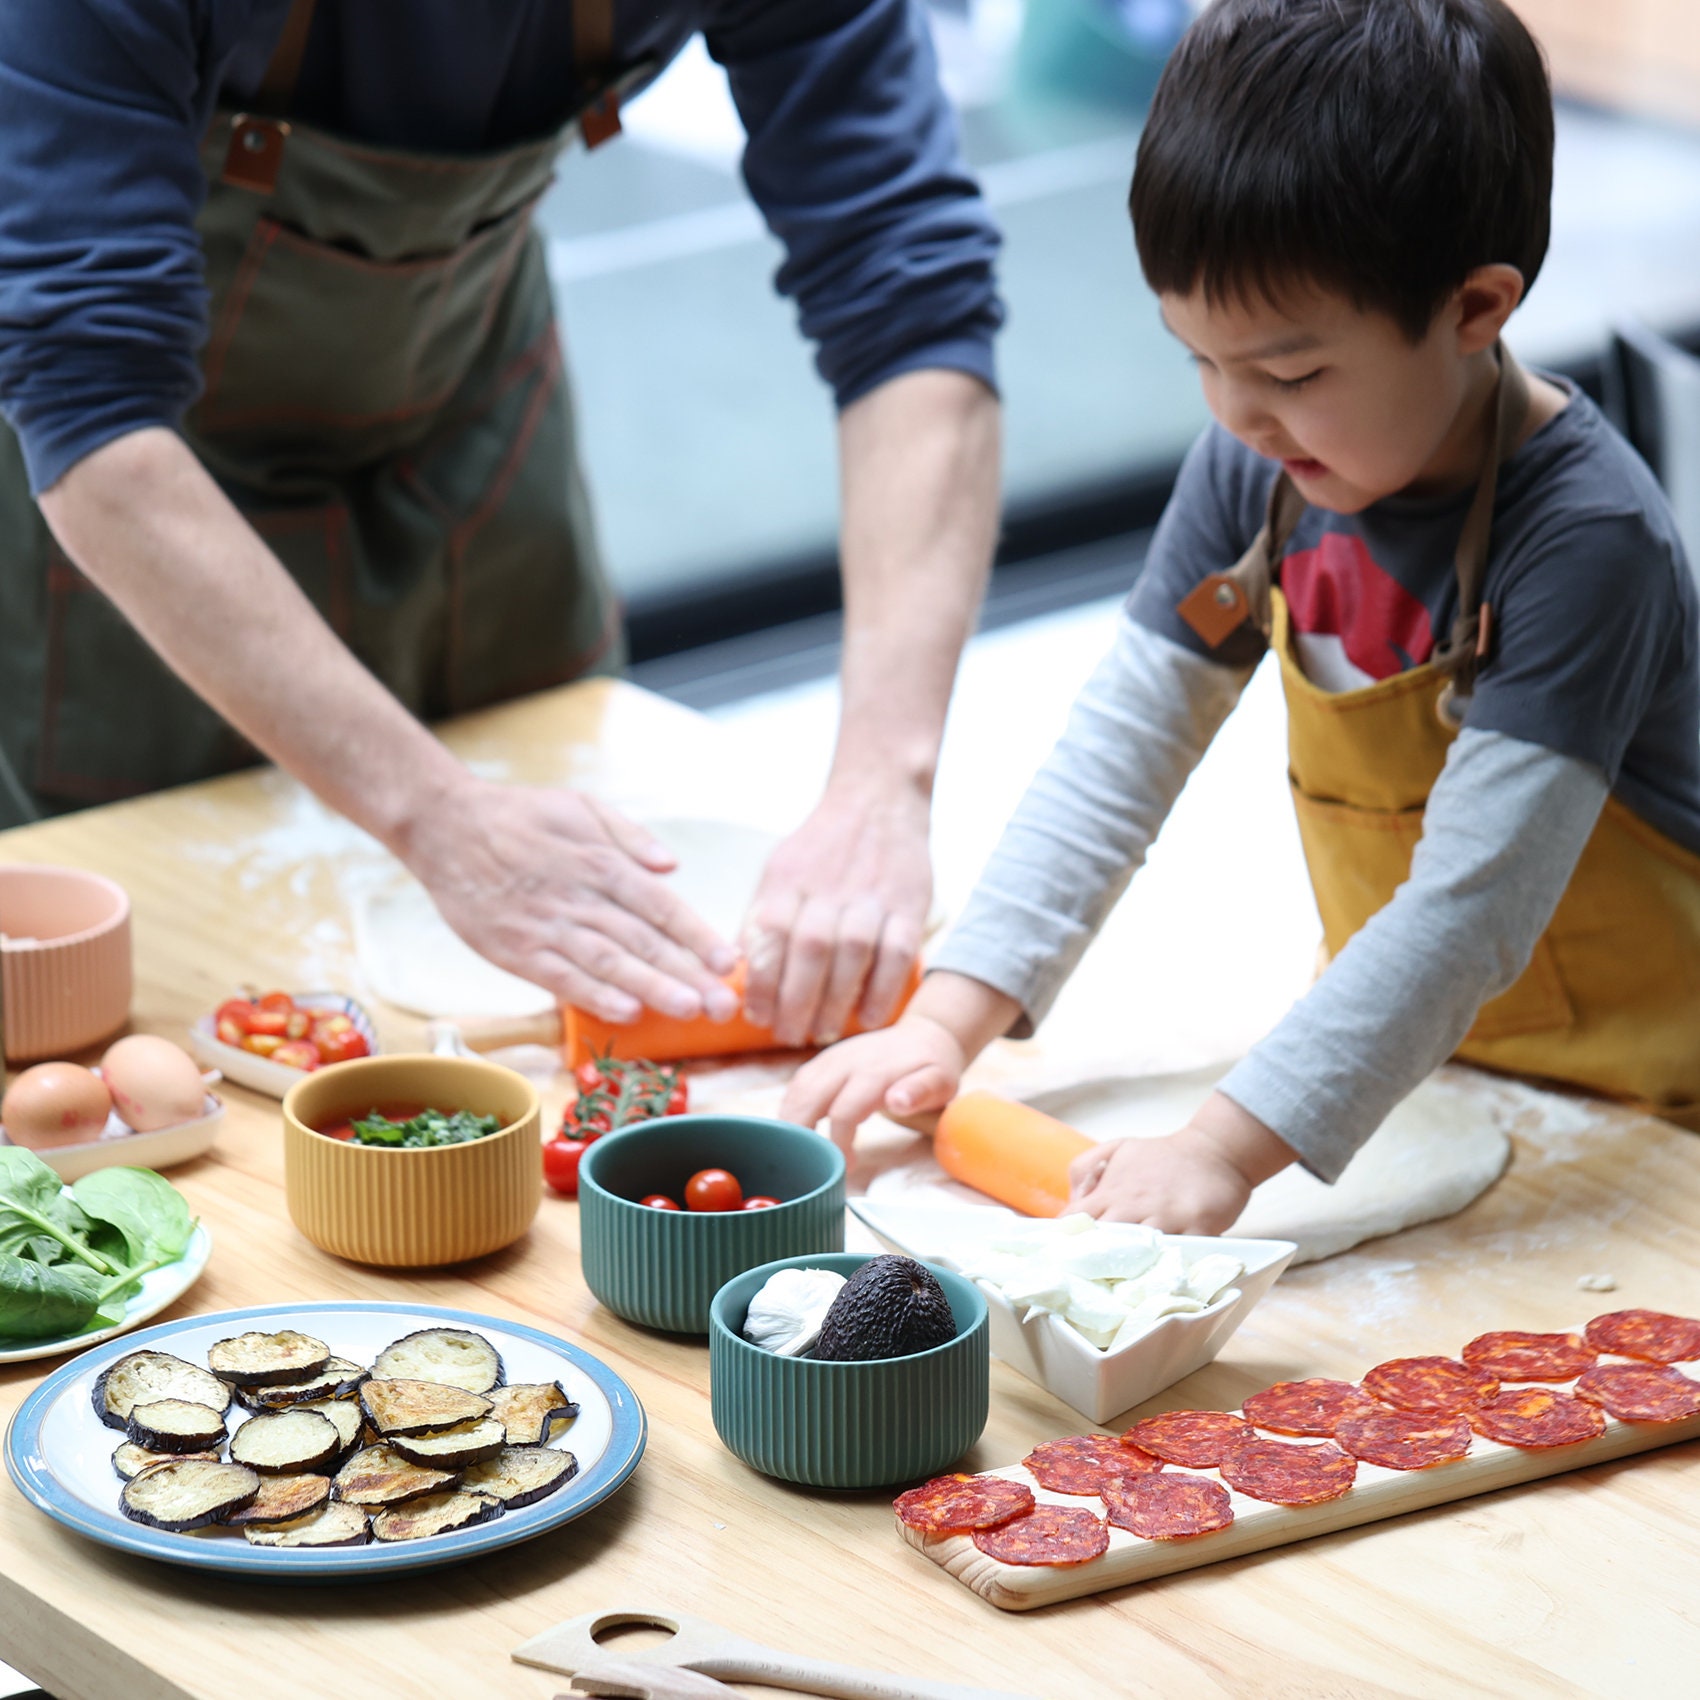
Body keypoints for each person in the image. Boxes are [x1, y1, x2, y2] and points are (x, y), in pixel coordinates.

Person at [782, 0, 1700, 1228]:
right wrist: (952, 1010)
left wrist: (1220, 1146)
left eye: (1288, 372)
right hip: (1401, 1063)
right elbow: (1118, 756)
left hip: (1652, 1108)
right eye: (1193, 358)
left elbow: (1466, 909)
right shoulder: (1264, 472)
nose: (1234, 414)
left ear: (1474, 308)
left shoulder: (1584, 544)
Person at [0, 0, 1003, 1048]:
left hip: (465, 420)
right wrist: (435, 815)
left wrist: (881, 784)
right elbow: (90, 403)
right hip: (135, 499)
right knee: (160, 1000)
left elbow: (912, 298)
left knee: (588, 904)